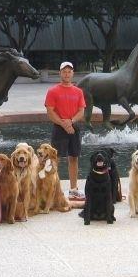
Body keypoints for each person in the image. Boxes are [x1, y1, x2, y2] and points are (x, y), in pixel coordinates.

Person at [45, 61, 86, 200]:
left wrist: (71, 121)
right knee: (54, 159)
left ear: (73, 73)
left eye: (69, 71)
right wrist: (64, 124)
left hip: (73, 126)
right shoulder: (53, 91)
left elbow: (81, 111)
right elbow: (50, 112)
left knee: (74, 157)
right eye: (64, 71)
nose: (67, 74)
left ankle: (73, 189)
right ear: (60, 73)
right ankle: (51, 189)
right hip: (59, 127)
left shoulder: (78, 91)